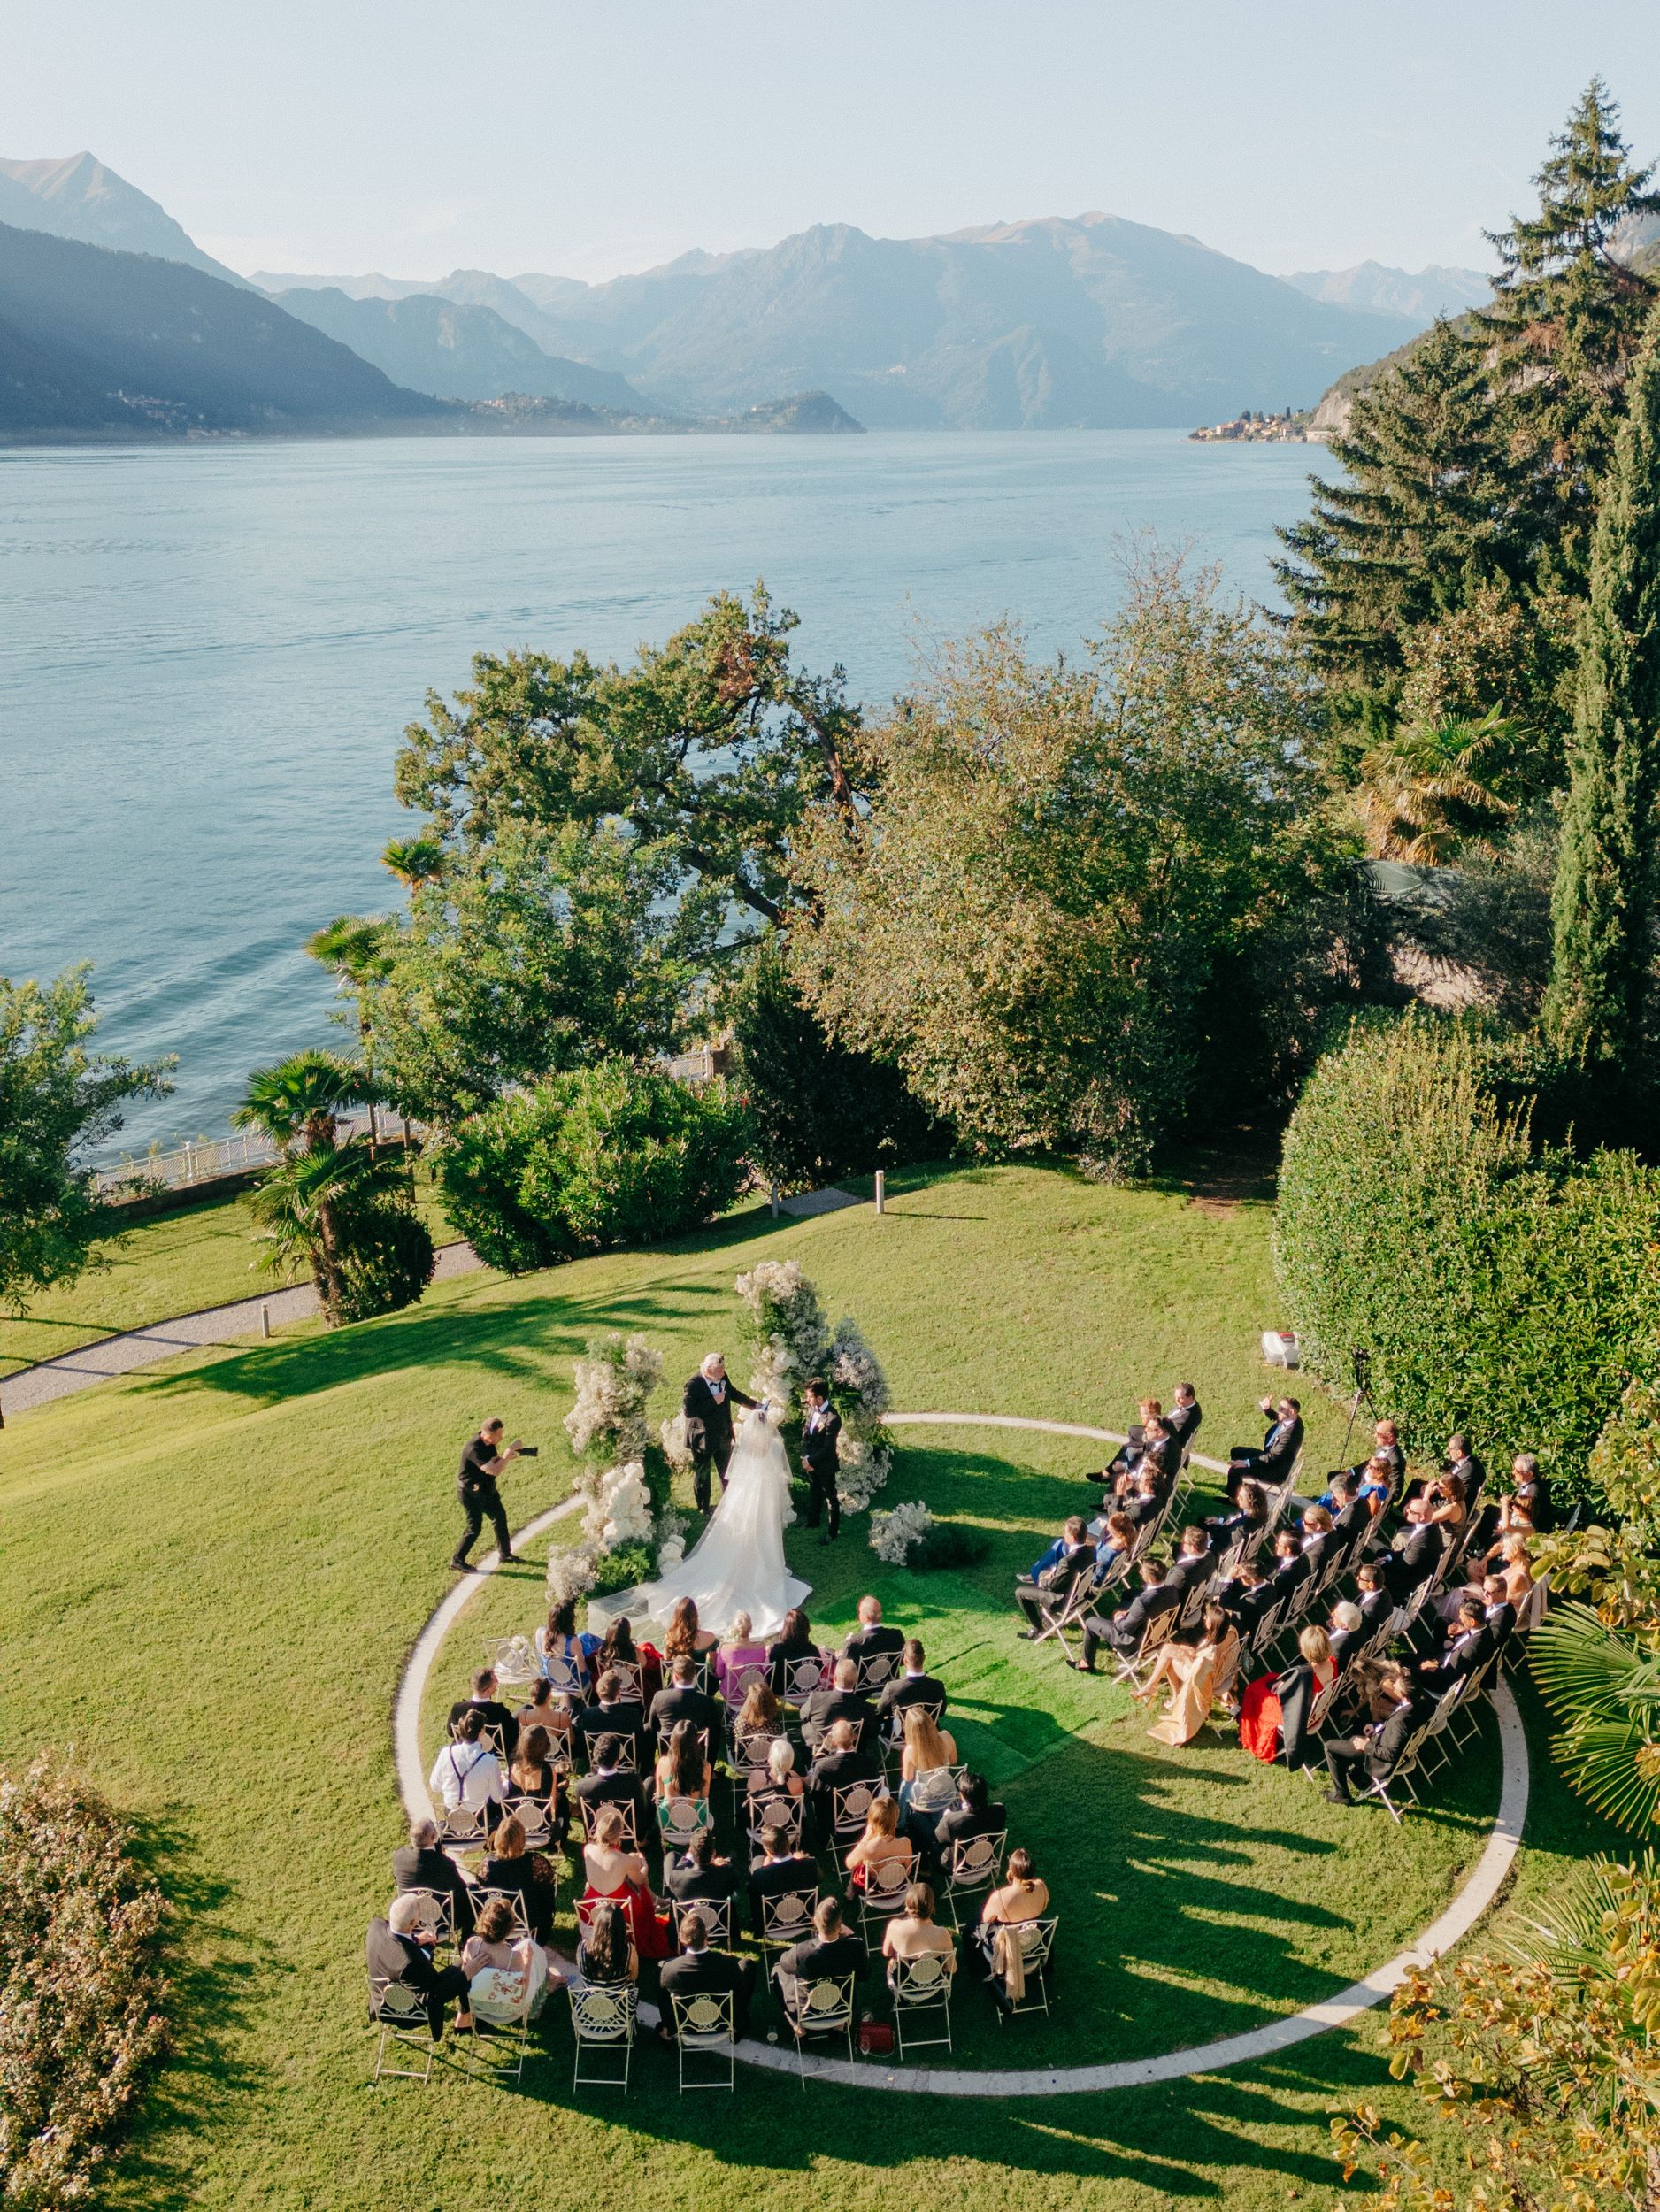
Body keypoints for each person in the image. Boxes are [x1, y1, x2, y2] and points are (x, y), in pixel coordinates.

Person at [588, 1404, 811, 1644]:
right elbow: (779, 1478)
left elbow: (739, 1475)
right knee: (762, 1537)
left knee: (746, 1536)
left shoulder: (746, 1449)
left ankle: (754, 1566)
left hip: (744, 1497)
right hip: (763, 1500)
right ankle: (761, 1571)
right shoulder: (773, 1447)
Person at [366, 1892, 473, 2039]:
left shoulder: (376, 1926)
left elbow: (396, 1945)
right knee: (466, 1964)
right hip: (408, 2013)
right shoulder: (411, 1964)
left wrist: (415, 1940)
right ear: (412, 1923)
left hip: (381, 2001)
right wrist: (466, 1974)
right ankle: (465, 2018)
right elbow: (432, 1997)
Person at [1137, 1601, 1237, 1747]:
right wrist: (1189, 1652)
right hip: (1221, 1672)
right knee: (1169, 1649)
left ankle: (1166, 1692)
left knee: (1169, 1656)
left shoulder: (1210, 1654)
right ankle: (1153, 1686)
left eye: (1206, 1617)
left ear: (1211, 1624)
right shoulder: (1229, 1633)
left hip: (1205, 1682)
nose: (1204, 1618)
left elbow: (1197, 1675)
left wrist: (1185, 1657)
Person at [1237, 1624, 1337, 1768]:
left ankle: (1250, 1735)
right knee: (1271, 1678)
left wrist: (1285, 1684)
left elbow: (1290, 1696)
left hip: (1298, 1716)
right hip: (1315, 1713)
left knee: (1254, 1691)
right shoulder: (1332, 1663)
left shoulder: (1304, 1675)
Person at [1323, 1664, 1425, 1805]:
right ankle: (1357, 1776)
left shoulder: (1400, 1721)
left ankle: (1341, 1795)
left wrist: (1366, 1746)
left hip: (1380, 1761)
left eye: (1396, 1685)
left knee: (1329, 1747)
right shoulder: (1415, 1707)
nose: (1393, 1685)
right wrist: (1377, 1727)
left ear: (1403, 1694)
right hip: (1381, 1740)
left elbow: (1390, 1754)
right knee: (1353, 1738)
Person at [581, 1804, 669, 1960]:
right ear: (619, 1834)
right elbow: (639, 1880)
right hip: (621, 1909)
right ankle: (654, 1903)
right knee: (642, 1892)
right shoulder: (626, 1860)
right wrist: (644, 1864)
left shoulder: (588, 1849)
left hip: (592, 1907)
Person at [658, 1908, 757, 2041]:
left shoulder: (668, 1969)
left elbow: (664, 2001)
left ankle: (667, 2028)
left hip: (685, 2025)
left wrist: (668, 2024)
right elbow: (739, 1994)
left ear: (681, 1938)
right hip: (723, 2022)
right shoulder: (729, 1965)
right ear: (707, 1935)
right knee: (747, 1965)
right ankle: (737, 2024)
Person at [681, 1352, 757, 1516]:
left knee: (727, 1470)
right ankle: (704, 1507)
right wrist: (713, 1401)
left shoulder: (722, 1377)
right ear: (709, 1370)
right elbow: (689, 1411)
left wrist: (755, 1405)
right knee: (703, 1473)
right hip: (703, 1437)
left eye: (723, 1370)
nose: (723, 1374)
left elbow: (733, 1393)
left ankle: (729, 1502)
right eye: (720, 1371)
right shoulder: (693, 1385)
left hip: (723, 1433)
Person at [976, 1847, 1049, 2013]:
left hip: (1009, 1950)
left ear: (1012, 1871)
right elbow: (1044, 1906)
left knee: (975, 1925)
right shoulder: (1042, 1887)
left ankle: (979, 1970)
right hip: (1035, 1944)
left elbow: (986, 1919)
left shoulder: (1000, 1897)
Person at [459, 1896, 555, 2025]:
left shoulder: (472, 1944)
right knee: (531, 1949)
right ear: (510, 1928)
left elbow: (464, 1976)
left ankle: (550, 1980)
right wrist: (528, 1961)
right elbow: (522, 1992)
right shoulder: (515, 1957)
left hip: (478, 2004)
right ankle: (546, 1987)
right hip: (509, 2011)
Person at [1074, 1557, 1179, 1672]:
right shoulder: (1172, 1590)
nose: (1140, 1572)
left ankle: (1086, 1663)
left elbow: (1124, 1628)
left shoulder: (1142, 1602)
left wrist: (1118, 1616)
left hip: (1132, 1642)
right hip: (1157, 1637)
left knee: (1091, 1622)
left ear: (1150, 1579)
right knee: (1128, 1594)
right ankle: (1111, 1644)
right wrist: (1129, 1613)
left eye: (1142, 1571)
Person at [451, 1417, 526, 1571]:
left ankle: (505, 1554)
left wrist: (506, 1457)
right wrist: (507, 1452)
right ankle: (457, 1561)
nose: (501, 1437)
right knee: (475, 1528)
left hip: (486, 1489)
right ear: (488, 1434)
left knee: (499, 1517)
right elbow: (494, 1470)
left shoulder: (490, 1444)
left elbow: (494, 1462)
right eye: (499, 1435)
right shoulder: (474, 1449)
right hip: (470, 1493)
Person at [775, 1896, 865, 2019]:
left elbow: (785, 1965)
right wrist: (853, 1935)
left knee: (777, 1969)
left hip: (808, 2011)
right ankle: (839, 2027)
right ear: (840, 1925)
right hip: (841, 2007)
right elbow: (864, 1975)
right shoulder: (855, 1947)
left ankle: (795, 2023)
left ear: (814, 1922)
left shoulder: (800, 1951)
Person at [391, 1815, 476, 1936]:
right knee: (470, 1895)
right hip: (440, 1922)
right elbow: (461, 1891)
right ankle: (466, 1936)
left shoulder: (399, 1856)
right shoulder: (444, 1864)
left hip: (411, 1919)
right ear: (433, 1837)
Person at [480, 1811, 556, 1942]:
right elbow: (548, 1891)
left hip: (498, 1922)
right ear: (522, 1838)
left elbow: (482, 1889)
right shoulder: (535, 1861)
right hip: (530, 1921)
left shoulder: (488, 1863)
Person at [1014, 1517, 1095, 1634]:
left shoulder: (1067, 1562)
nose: (1064, 1535)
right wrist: (1054, 1573)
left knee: (1020, 1592)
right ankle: (1045, 1617)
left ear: (1072, 1538)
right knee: (1043, 1572)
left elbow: (1052, 1586)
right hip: (1079, 1590)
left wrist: (1043, 1581)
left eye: (1065, 1533)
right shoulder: (1091, 1549)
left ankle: (1037, 1627)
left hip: (1062, 1598)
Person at [803, 1718, 877, 1846]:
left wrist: (819, 1755)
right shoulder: (870, 1762)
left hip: (834, 1821)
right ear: (854, 1737)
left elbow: (815, 1795)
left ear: (833, 1741)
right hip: (864, 1816)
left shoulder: (823, 1766)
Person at [428, 1706, 508, 1816]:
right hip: (480, 1817)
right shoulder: (490, 1761)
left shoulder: (446, 1753)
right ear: (482, 1731)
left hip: (451, 1816)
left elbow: (434, 1786)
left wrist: (452, 1788)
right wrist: (506, 1783)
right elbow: (498, 1798)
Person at [749, 1824, 819, 1939]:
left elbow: (754, 1900)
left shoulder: (760, 1875)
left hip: (773, 1922)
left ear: (767, 1850)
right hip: (805, 1918)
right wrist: (803, 1860)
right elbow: (819, 1879)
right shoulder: (810, 1865)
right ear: (788, 1843)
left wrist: (765, 1868)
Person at [882, 1882, 957, 1991]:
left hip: (904, 1982)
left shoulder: (894, 1927)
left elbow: (887, 1953)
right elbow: (952, 1968)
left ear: (907, 1906)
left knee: (893, 1962)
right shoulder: (943, 1934)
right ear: (931, 1908)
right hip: (934, 1981)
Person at [573, 1735, 649, 1841]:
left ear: (595, 1756)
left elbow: (583, 1814)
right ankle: (642, 1840)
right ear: (618, 1759)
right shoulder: (633, 1781)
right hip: (626, 1833)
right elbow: (642, 1810)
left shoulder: (582, 1786)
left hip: (598, 1833)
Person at [506, 1723, 568, 1847]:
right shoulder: (547, 1771)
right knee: (563, 1801)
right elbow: (552, 1805)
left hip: (516, 1823)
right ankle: (559, 1841)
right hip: (541, 1826)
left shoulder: (513, 1764)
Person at [572, 1670, 648, 1770]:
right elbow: (641, 1743)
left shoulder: (587, 1714)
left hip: (599, 1762)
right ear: (619, 1693)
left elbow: (582, 1742)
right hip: (626, 1763)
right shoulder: (632, 1714)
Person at [799, 1377, 845, 1544]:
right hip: (811, 1462)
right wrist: (806, 1457)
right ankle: (813, 1521)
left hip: (825, 1465)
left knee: (830, 1497)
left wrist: (810, 1460)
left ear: (819, 1398)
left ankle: (832, 1532)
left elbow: (828, 1448)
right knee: (814, 1491)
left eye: (809, 1396)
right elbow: (806, 1435)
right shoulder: (812, 1410)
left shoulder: (833, 1418)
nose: (807, 1399)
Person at [1229, 1396, 1303, 1494]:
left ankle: (1234, 1498)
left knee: (1236, 1470)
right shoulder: (1292, 1419)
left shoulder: (1291, 1435)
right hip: (1269, 1459)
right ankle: (1241, 1490)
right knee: (1236, 1452)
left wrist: (1246, 1463)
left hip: (1274, 1470)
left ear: (1292, 1412)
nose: (1278, 1411)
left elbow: (1272, 1457)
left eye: (1281, 1409)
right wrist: (1267, 1409)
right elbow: (1278, 1417)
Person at [801, 1657, 877, 1751]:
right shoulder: (865, 1708)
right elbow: (873, 1732)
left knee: (807, 1724)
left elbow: (803, 1716)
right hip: (851, 1748)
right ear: (856, 1681)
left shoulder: (816, 1699)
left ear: (835, 1678)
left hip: (820, 1749)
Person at [845, 1793, 915, 1894]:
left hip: (874, 1891)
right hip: (898, 1888)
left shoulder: (865, 1848)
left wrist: (865, 1838)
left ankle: (850, 1892)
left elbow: (849, 1864)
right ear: (895, 1819)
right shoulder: (905, 1842)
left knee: (858, 1863)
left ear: (871, 1821)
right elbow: (908, 1871)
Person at [876, 1639, 949, 1736]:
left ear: (905, 1660)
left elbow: (880, 1713)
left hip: (903, 1735)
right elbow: (941, 1712)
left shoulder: (892, 1688)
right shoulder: (937, 1686)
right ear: (924, 1658)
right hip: (929, 1732)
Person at [649, 1655, 721, 1750]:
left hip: (668, 1751)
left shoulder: (660, 1697)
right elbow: (715, 1732)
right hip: (696, 1751)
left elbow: (653, 1727)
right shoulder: (707, 1702)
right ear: (694, 1676)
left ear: (675, 1676)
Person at [447, 1667, 519, 1761]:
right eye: (495, 1682)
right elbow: (513, 1737)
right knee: (524, 1710)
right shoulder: (500, 1711)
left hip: (468, 1751)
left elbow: (451, 1733)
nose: (497, 1683)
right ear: (488, 1691)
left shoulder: (457, 1709)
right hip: (495, 1752)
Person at [665, 1827, 740, 1914]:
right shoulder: (728, 1874)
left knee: (671, 1855)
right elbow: (734, 1885)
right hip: (718, 1920)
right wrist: (718, 1865)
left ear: (690, 1852)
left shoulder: (676, 1877)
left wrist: (687, 1860)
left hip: (688, 1920)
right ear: (713, 1853)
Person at [1418, 1598, 1487, 1688]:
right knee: (1414, 1655)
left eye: (1461, 1615)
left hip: (1441, 1679)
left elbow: (1451, 1678)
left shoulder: (1470, 1650)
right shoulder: (1481, 1629)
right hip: (1443, 1661)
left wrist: (1434, 1668)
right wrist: (1438, 1661)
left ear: (1472, 1622)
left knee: (1405, 1668)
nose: (1459, 1618)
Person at [572, 1896, 637, 1991]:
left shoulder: (582, 1947)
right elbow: (634, 1976)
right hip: (619, 1999)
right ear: (621, 1926)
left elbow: (582, 1970)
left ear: (597, 1925)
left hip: (590, 1998)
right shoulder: (629, 1950)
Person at [935, 1770, 1007, 1855]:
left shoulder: (951, 1820)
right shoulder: (1000, 1810)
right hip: (985, 1854)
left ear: (963, 1796)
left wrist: (947, 1817)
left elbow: (939, 1838)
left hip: (960, 1859)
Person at [535, 1597, 598, 1686]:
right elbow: (582, 1669)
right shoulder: (573, 1642)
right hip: (572, 1684)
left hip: (551, 1681)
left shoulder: (543, 1634)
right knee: (587, 1639)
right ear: (569, 1621)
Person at [654, 1717, 713, 1808]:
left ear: (673, 1740)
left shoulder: (663, 1763)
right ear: (695, 1742)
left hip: (668, 1815)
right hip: (694, 1815)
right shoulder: (705, 1766)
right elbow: (704, 1796)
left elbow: (660, 1794)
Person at [715, 1611, 772, 1700]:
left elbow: (719, 1674)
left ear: (735, 1629)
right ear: (751, 1628)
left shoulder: (724, 1649)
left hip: (733, 1696)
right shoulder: (761, 1648)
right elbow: (766, 1670)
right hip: (756, 1696)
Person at [768, 1606, 826, 1691]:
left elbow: (773, 1678)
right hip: (809, 1691)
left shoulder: (777, 1652)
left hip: (783, 1692)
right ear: (806, 1628)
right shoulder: (813, 1651)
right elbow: (819, 1670)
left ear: (786, 1628)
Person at [843, 1594, 905, 1670]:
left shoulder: (854, 1644)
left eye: (860, 1612)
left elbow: (844, 1671)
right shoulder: (896, 1635)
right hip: (891, 1677)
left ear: (866, 1617)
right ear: (881, 1615)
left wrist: (846, 1646)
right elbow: (902, 1661)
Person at [1205, 1479, 1265, 1549]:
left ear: (1250, 1502)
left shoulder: (1243, 1528)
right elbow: (1236, 1520)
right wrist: (1220, 1521)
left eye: (1241, 1497)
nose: (1237, 1498)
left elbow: (1226, 1549)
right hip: (1223, 1531)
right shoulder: (1254, 1512)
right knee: (1203, 1521)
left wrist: (1209, 1543)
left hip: (1217, 1543)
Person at [1164, 1526, 1215, 1606]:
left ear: (1192, 1548)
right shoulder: (1210, 1557)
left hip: (1178, 1605)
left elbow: (1167, 1598)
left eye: (1184, 1542)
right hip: (1193, 1601)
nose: (1182, 1543)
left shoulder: (1180, 1573)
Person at [1326, 1598, 1365, 1670]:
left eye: (1335, 1616)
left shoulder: (1335, 1648)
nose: (1332, 1614)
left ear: (1344, 1625)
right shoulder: (1360, 1626)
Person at [1164, 1382, 1203, 1455]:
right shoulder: (1186, 1404)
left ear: (1190, 1398)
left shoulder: (1188, 1418)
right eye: (1176, 1397)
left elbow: (1172, 1437)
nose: (1177, 1400)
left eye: (1181, 1398)